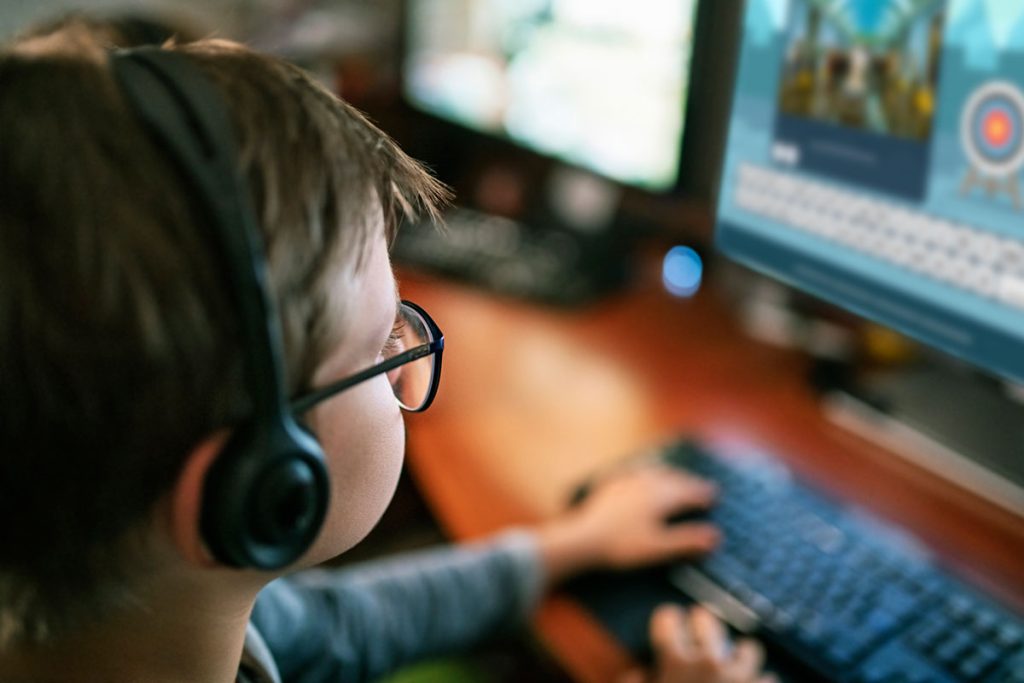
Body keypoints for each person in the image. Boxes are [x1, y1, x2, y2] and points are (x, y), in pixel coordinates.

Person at [0, 22, 774, 683]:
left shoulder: (155, 613)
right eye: (380, 344)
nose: (407, 358)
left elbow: (337, 622)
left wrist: (569, 544)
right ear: (257, 485)